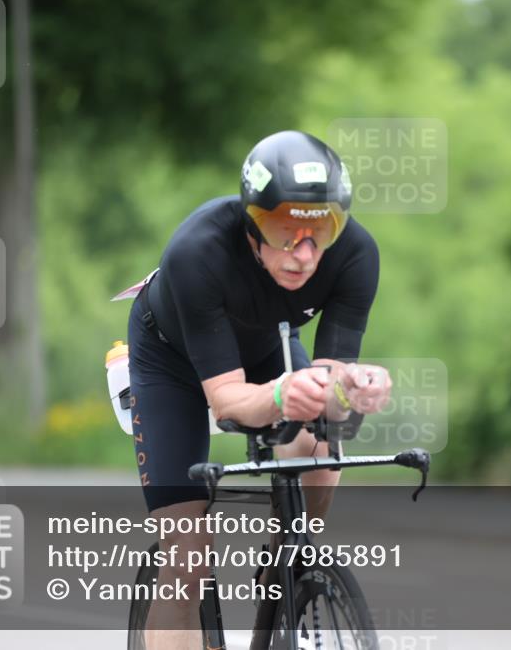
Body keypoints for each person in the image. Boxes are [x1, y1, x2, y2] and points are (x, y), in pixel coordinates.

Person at [125, 130, 392, 650]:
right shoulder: (197, 252)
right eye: (284, 230)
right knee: (187, 554)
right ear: (252, 220)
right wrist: (278, 396)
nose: (304, 254)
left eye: (322, 232)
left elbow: (333, 382)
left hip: (267, 344)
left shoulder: (357, 253)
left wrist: (354, 388)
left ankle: (287, 563)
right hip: (172, 363)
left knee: (321, 443)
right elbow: (228, 402)